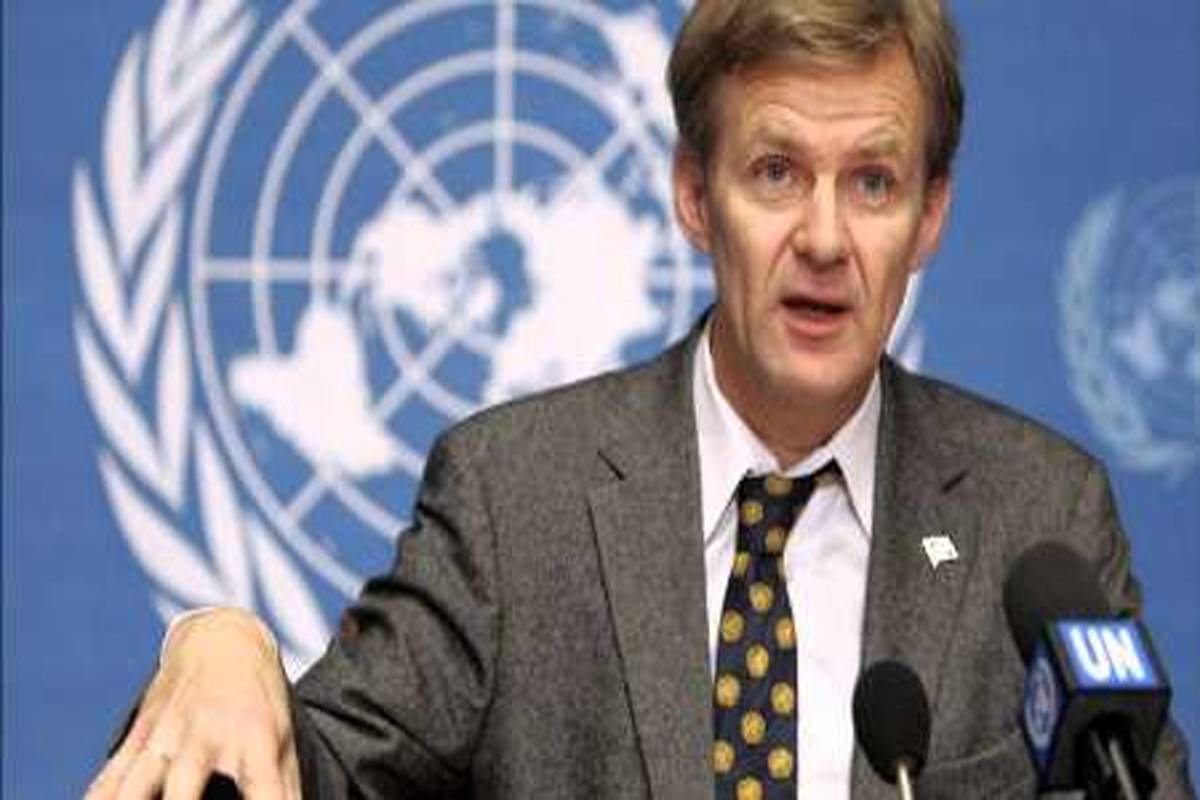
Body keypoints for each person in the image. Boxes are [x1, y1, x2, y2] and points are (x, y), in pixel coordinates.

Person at [87, 1, 1194, 798]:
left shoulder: (1039, 517)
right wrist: (222, 645)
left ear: (931, 216)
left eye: (872, 182)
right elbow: (315, 770)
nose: (824, 239)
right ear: (693, 195)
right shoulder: (515, 499)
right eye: (776, 172)